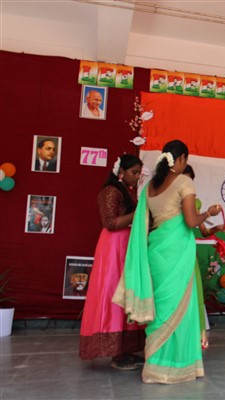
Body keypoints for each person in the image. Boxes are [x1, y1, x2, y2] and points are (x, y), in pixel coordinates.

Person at [113, 140, 222, 384]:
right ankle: (178, 367)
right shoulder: (184, 182)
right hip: (176, 252)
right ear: (181, 159)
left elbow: (150, 221)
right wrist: (209, 213)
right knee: (180, 310)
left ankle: (155, 367)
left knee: (161, 310)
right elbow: (191, 221)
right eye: (186, 160)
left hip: (156, 251)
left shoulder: (150, 187)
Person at [80, 154, 146, 370]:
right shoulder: (110, 191)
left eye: (139, 173)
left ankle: (125, 350)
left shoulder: (127, 190)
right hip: (113, 247)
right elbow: (109, 223)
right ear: (121, 172)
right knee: (113, 291)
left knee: (127, 293)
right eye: (134, 172)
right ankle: (117, 354)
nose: (137, 177)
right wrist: (138, 214)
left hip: (126, 245)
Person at [182, 165, 225, 350]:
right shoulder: (165, 198)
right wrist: (208, 213)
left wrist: (218, 228)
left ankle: (189, 334)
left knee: (191, 292)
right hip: (169, 248)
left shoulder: (194, 202)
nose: (185, 183)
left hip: (187, 250)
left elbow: (203, 231)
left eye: (189, 180)